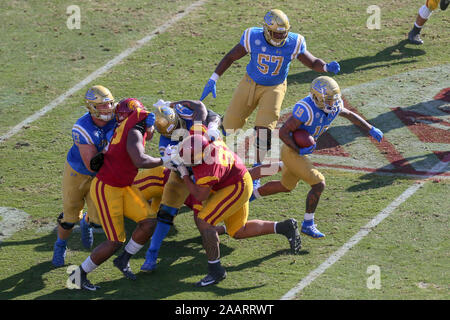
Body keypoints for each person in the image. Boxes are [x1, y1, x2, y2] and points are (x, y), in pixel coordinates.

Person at [199, 9, 340, 188]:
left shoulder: (294, 42)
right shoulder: (253, 37)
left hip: (275, 88)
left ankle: (257, 171)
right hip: (249, 82)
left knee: (264, 131)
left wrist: (326, 67)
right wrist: (213, 79)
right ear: (266, 29)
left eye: (283, 33)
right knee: (230, 127)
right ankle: (217, 120)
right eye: (276, 33)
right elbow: (231, 56)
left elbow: (311, 62)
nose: (280, 37)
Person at [250, 76, 384, 239]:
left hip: (297, 153)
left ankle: (252, 194)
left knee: (286, 186)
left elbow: (349, 114)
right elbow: (284, 132)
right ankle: (308, 224)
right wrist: (298, 149)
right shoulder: (306, 109)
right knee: (319, 183)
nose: (332, 103)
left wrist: (370, 128)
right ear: (316, 97)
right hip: (292, 151)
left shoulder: (334, 106)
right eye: (328, 99)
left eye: (334, 99)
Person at [67, 98, 170, 291]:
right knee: (115, 240)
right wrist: (164, 159)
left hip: (123, 186)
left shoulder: (127, 128)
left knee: (149, 223)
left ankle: (123, 260)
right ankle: (78, 275)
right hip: (107, 189)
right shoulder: (132, 130)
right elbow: (139, 160)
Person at [173, 134, 301, 287]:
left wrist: (184, 173)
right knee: (238, 230)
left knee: (204, 221)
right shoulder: (212, 145)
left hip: (236, 187)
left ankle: (216, 270)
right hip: (237, 180)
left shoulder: (210, 167)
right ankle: (284, 227)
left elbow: (200, 194)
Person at [139, 99, 222, 271]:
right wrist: (186, 171)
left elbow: (205, 109)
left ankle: (231, 224)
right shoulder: (166, 146)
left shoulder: (185, 113)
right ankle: (152, 253)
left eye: (178, 126)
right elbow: (178, 169)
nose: (177, 132)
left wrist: (212, 128)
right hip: (186, 172)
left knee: (221, 197)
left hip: (208, 165)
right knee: (166, 212)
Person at [52, 85, 116, 267]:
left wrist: (145, 123)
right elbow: (92, 164)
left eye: (109, 104)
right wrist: (111, 145)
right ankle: (60, 245)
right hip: (78, 172)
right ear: (91, 107)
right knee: (70, 217)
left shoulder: (118, 116)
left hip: (101, 175)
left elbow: (145, 134)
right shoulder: (82, 127)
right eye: (102, 106)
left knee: (98, 220)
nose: (108, 109)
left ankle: (87, 221)